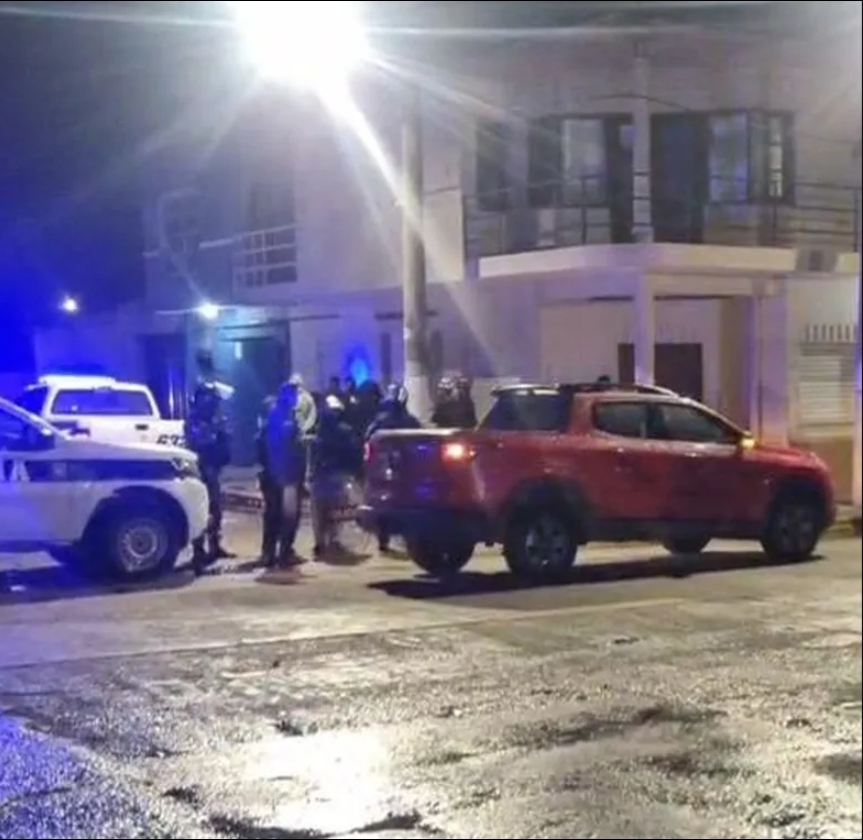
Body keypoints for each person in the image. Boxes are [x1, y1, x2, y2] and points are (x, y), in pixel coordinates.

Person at [184, 350, 233, 574]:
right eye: (210, 400)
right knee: (203, 511)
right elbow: (198, 442)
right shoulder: (196, 419)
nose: (213, 404)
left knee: (216, 509)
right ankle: (198, 552)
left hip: (214, 467)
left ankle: (215, 546)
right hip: (202, 470)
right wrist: (214, 434)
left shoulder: (214, 417)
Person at [365, 383, 421, 552]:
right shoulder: (409, 421)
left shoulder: (379, 421)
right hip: (402, 468)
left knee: (383, 502)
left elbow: (368, 438)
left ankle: (384, 539)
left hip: (383, 468)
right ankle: (404, 537)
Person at [308, 394, 361, 559]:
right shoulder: (345, 431)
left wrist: (310, 475)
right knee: (336, 510)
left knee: (319, 512)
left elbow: (312, 456)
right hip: (336, 476)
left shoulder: (317, 434)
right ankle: (332, 540)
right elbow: (352, 454)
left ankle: (320, 543)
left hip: (320, 477)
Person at [264, 381, 307, 566]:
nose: (296, 398)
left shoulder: (287, 414)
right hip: (283, 475)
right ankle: (280, 553)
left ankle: (277, 552)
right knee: (284, 516)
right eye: (293, 395)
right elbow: (280, 444)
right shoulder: (279, 415)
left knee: (281, 515)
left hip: (286, 474)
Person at [255, 395, 280, 567]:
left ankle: (278, 551)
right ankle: (268, 552)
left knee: (281, 515)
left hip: (280, 475)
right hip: (271, 477)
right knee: (272, 515)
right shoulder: (265, 431)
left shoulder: (273, 429)